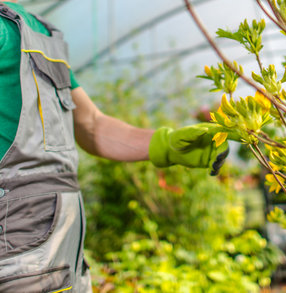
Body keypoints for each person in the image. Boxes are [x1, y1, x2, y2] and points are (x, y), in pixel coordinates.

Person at [0, 1, 228, 292]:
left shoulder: (40, 31)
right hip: (16, 259)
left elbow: (91, 124)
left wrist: (166, 144)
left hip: (60, 257)